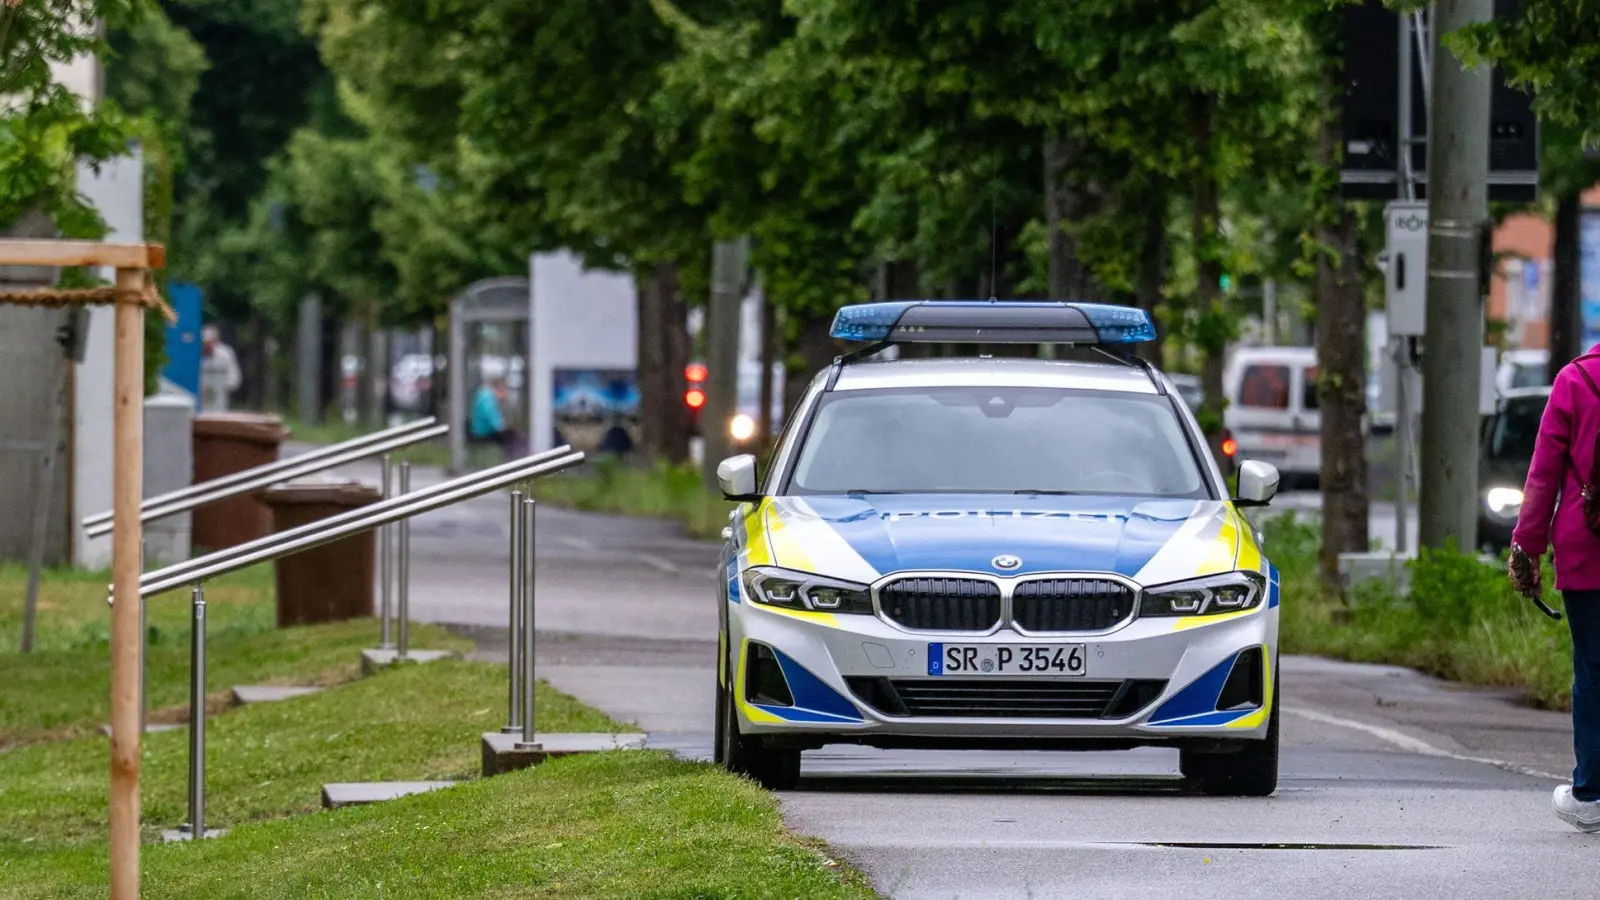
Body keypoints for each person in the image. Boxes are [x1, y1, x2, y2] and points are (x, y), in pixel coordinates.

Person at [1510, 349, 1600, 833]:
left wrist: (1527, 548)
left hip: (1588, 548)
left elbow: (1544, 474)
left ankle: (1590, 793)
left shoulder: (1576, 379)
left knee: (1593, 669)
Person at [469, 360, 521, 461]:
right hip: (483, 432)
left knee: (510, 434)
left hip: (479, 430)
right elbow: (490, 417)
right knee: (512, 436)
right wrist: (501, 427)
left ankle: (508, 458)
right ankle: (510, 460)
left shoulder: (483, 393)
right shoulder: (488, 396)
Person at [199, 325, 241, 412]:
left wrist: (225, 387)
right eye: (205, 342)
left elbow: (234, 374)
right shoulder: (195, 354)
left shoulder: (225, 354)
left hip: (220, 397)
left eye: (210, 342)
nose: (207, 345)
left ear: (215, 341)